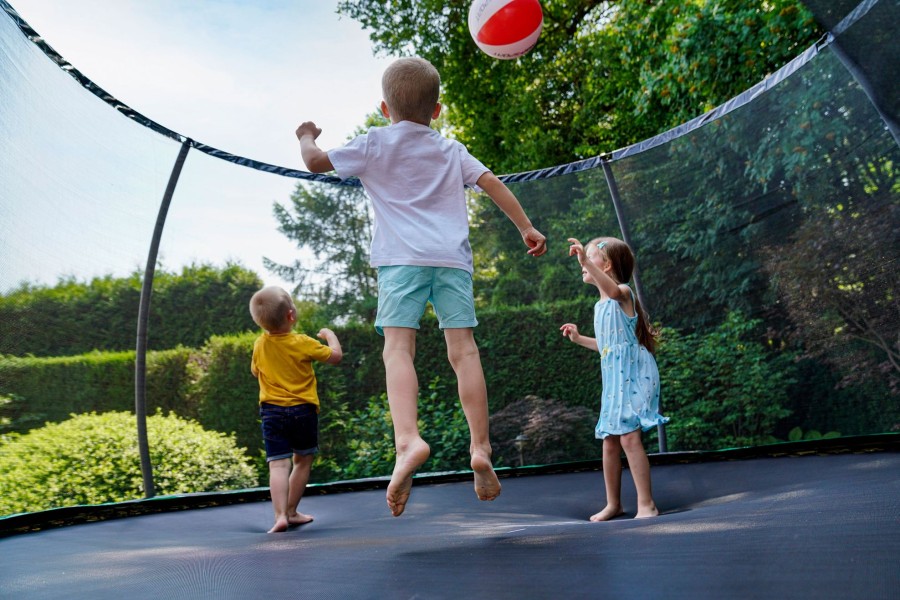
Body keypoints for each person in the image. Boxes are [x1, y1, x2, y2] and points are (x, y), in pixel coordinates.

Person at [295, 56, 547, 517]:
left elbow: (314, 162)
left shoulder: (373, 143)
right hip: (451, 262)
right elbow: (492, 184)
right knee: (464, 351)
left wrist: (306, 134)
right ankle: (481, 448)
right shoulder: (451, 149)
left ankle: (408, 440)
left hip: (400, 262)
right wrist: (526, 228)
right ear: (437, 110)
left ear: (384, 109)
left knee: (398, 349)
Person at [560, 236, 668, 521]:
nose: (582, 265)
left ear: (606, 265)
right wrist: (579, 339)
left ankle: (647, 504)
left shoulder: (623, 293)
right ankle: (614, 504)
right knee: (609, 441)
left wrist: (585, 261)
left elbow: (612, 290)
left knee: (630, 438)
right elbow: (607, 346)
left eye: (589, 259)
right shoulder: (598, 307)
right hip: (614, 382)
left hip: (635, 376)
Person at [249, 286, 343, 533]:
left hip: (271, 412)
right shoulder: (302, 342)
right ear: (291, 316)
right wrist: (329, 335)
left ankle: (280, 515)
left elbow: (255, 371)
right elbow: (335, 356)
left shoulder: (260, 344)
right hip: (303, 411)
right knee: (302, 461)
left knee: (278, 465)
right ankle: (291, 511)